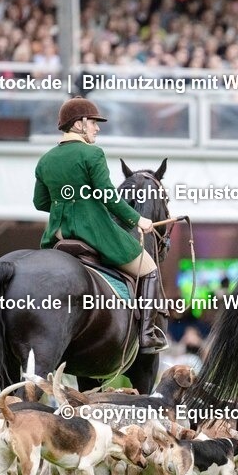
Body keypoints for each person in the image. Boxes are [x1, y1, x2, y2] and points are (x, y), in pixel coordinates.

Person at [33, 97, 166, 352]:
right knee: (149, 269)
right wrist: (138, 219)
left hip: (58, 237)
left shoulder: (46, 160)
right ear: (80, 123)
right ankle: (148, 335)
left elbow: (40, 202)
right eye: (94, 122)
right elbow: (108, 195)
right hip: (93, 232)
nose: (97, 128)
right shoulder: (92, 153)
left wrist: (69, 206)